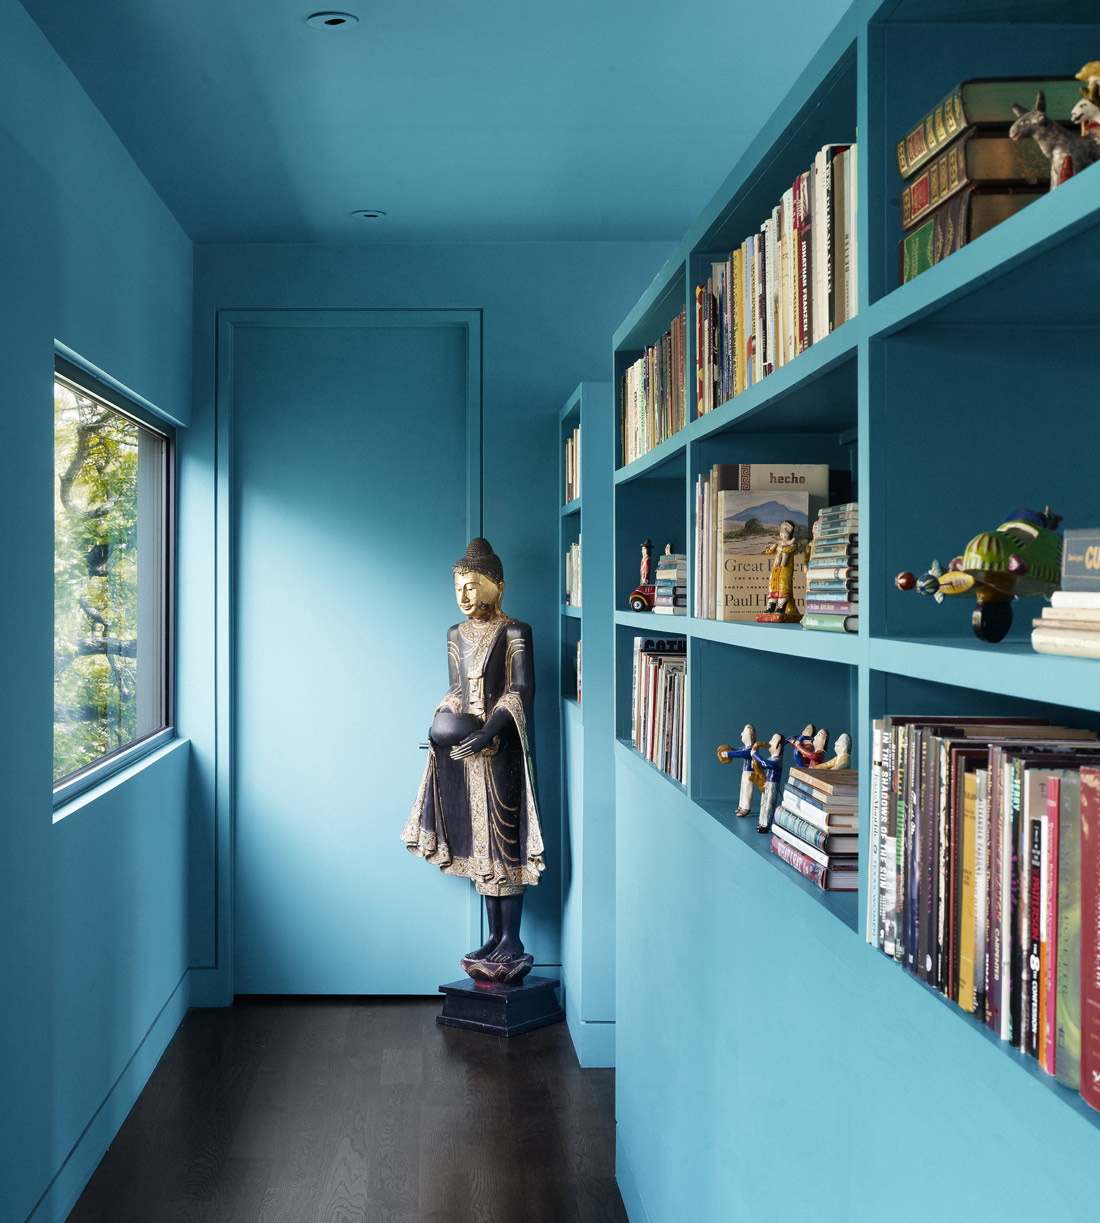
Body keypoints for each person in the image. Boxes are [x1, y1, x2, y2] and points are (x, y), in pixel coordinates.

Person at [401, 538, 544, 981]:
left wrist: (488, 733)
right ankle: (494, 936)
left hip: (500, 749)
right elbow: (456, 689)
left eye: (473, 586)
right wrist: (439, 720)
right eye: (459, 587)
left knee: (504, 838)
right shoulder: (454, 635)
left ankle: (512, 940)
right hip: (464, 752)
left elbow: (520, 690)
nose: (464, 596)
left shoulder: (516, 632)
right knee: (477, 843)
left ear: (497, 587)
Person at [717, 723, 764, 817]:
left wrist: (728, 754)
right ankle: (741, 806)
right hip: (745, 771)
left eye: (744, 732)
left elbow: (741, 754)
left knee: (747, 789)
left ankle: (746, 808)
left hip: (750, 772)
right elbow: (738, 750)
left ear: (750, 735)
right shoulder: (746, 747)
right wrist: (730, 750)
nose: (741, 734)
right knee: (743, 788)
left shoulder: (752, 749)